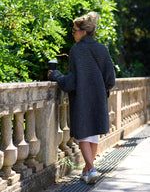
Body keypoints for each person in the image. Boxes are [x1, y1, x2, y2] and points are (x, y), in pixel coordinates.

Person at [48, 12, 115, 184]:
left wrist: (56, 75)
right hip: (99, 97)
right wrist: (101, 90)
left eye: (74, 30)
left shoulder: (77, 50)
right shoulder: (102, 48)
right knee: (93, 136)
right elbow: (111, 79)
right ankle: (87, 170)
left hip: (82, 98)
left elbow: (71, 82)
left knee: (84, 134)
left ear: (83, 31)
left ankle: (91, 169)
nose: (73, 33)